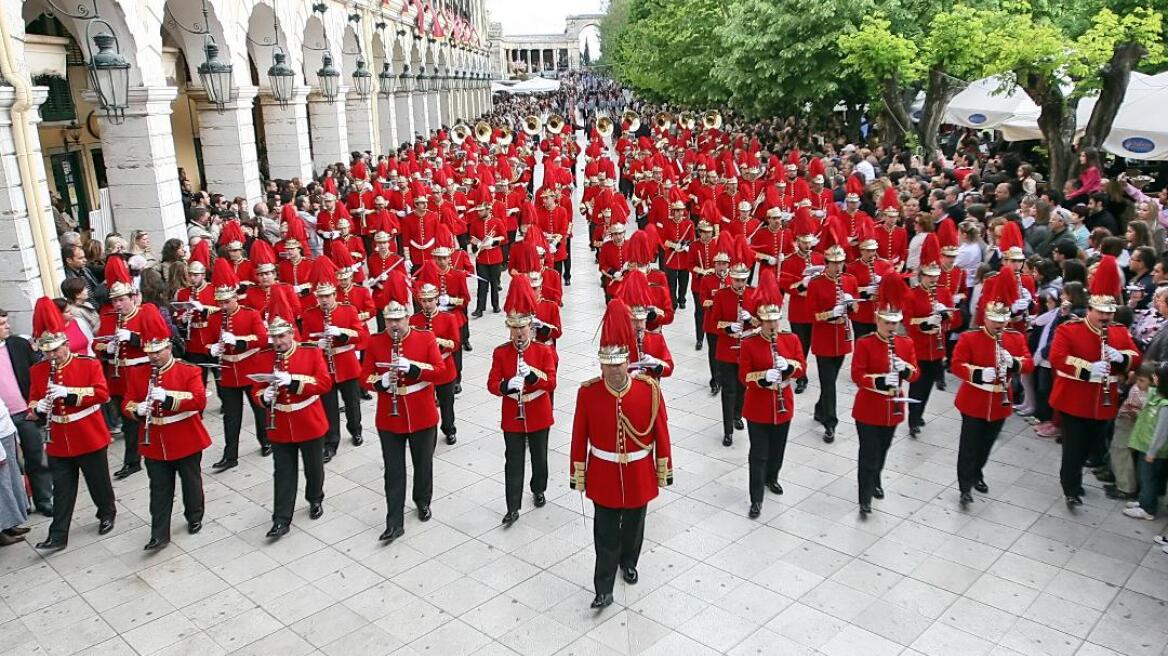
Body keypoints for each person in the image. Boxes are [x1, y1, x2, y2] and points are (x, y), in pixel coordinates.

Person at [570, 299, 672, 609]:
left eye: (617, 364)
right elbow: (579, 436)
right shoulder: (588, 393)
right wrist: (578, 474)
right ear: (599, 365)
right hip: (603, 472)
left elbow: (661, 432)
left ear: (627, 362)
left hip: (639, 471)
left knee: (634, 525)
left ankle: (629, 561)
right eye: (607, 365)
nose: (613, 371)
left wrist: (663, 468)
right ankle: (603, 586)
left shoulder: (648, 390)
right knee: (604, 531)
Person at [1049, 255, 1141, 508]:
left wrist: (1121, 357)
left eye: (1109, 313)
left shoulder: (1119, 332)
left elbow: (1135, 357)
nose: (1105, 317)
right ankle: (1071, 488)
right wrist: (1088, 369)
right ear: (1089, 309)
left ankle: (1076, 479)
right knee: (1074, 448)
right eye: (1100, 312)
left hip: (1103, 402)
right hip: (1075, 399)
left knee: (1091, 446)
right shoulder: (1070, 329)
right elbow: (1057, 358)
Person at [360, 276, 444, 543]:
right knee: (393, 470)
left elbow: (440, 372)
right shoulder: (375, 342)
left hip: (421, 412)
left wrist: (415, 369)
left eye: (399, 320)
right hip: (390, 416)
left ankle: (422, 500)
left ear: (408, 318)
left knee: (423, 464)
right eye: (389, 321)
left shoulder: (426, 337)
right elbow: (365, 377)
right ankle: (393, 521)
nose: (394, 326)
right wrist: (381, 382)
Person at [27, 297, 116, 552]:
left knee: (98, 481)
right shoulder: (38, 371)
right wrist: (38, 407)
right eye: (47, 352)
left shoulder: (86, 364)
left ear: (65, 344)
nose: (52, 356)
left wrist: (70, 393)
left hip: (86, 431)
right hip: (58, 438)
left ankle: (106, 512)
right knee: (63, 488)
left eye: (55, 350)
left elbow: (102, 394)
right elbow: (31, 400)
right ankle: (58, 534)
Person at [122, 311, 211, 550]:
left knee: (190, 482)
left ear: (169, 348)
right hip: (154, 440)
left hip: (184, 435)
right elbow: (127, 403)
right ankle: (159, 533)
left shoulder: (188, 370)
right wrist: (138, 409)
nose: (153, 357)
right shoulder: (139, 373)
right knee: (159, 489)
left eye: (158, 351)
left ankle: (194, 515)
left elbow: (199, 401)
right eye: (150, 352)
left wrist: (170, 398)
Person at [250, 294, 331, 539]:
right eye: (274, 337)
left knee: (313, 467)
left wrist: (294, 382)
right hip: (280, 423)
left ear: (292, 334)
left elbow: (324, 383)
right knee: (283, 471)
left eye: (282, 336)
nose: (278, 341)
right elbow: (255, 390)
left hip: (307, 418)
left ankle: (315, 497)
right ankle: (281, 518)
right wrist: (265, 397)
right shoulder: (264, 356)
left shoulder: (310, 353)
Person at [951, 273, 1035, 507]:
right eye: (995, 320)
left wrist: (1014, 363)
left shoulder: (1015, 338)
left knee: (986, 444)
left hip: (1000, 399)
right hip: (974, 398)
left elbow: (1028, 363)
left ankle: (977, 472)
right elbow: (957, 365)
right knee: (969, 445)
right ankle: (965, 485)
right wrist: (978, 373)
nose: (999, 325)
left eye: (1003, 320)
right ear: (986, 318)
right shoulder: (971, 338)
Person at [488, 276, 557, 526]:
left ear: (530, 327)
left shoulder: (543, 351)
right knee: (513, 460)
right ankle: (512, 506)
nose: (518, 333)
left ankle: (538, 488)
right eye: (514, 328)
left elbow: (551, 382)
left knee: (540, 457)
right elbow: (491, 384)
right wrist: (506, 386)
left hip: (538, 409)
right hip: (512, 413)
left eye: (522, 328)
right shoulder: (501, 352)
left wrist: (532, 375)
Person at [851, 275, 919, 516]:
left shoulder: (905, 343)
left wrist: (905, 369)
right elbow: (857, 375)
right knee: (868, 453)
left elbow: (915, 373)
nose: (891, 328)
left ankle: (876, 478)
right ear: (877, 320)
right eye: (887, 323)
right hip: (869, 406)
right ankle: (864, 497)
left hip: (893, 408)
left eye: (894, 324)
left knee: (883, 449)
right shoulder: (865, 343)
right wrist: (879, 380)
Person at [737, 271, 804, 518]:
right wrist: (763, 377)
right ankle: (756, 498)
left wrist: (789, 368)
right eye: (768, 322)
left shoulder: (791, 339)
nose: (773, 326)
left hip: (783, 402)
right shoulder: (750, 343)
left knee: (778, 449)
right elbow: (744, 375)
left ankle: (772, 477)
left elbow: (801, 366)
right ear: (761, 321)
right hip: (758, 406)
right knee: (758, 454)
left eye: (775, 321)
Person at [96, 257, 167, 480]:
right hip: (119, 375)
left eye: (121, 300)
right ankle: (133, 460)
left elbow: (160, 340)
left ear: (132, 297)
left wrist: (134, 338)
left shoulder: (146, 312)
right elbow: (95, 342)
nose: (118, 305)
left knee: (151, 411)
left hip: (142, 370)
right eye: (114, 301)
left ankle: (153, 449)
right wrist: (107, 347)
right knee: (128, 419)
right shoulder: (108, 317)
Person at [302, 258, 368, 463]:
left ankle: (355, 429)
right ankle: (331, 443)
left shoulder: (348, 310)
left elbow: (361, 336)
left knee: (352, 402)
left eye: (328, 296)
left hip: (346, 362)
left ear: (334, 294)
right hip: (324, 366)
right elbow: (305, 341)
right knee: (328, 406)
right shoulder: (310, 314)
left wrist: (341, 332)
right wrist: (316, 345)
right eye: (321, 297)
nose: (324, 301)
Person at [207, 259, 270, 470]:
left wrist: (240, 342)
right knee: (231, 417)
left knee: (259, 409)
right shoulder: (215, 318)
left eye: (227, 302)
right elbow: (207, 339)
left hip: (249, 366)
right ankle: (230, 455)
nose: (223, 306)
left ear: (235, 297)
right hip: (227, 372)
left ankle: (266, 441)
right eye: (220, 303)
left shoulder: (249, 314)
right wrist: (212, 348)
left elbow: (261, 339)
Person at [0, 309, 51, 517]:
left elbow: (37, 374)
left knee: (35, 456)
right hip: (2, 419)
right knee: (10, 465)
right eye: (2, 324)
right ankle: (19, 505)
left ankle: (44, 499)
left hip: (24, 411)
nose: (8, 326)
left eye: (6, 322)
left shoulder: (18, 345)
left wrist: (36, 404)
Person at [808, 239, 859, 443]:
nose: (838, 267)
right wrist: (830, 313)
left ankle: (821, 408)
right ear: (826, 263)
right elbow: (811, 314)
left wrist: (851, 305)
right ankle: (830, 423)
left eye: (841, 263)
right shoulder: (817, 283)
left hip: (842, 339)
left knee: (830, 382)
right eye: (834, 263)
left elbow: (856, 308)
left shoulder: (849, 280)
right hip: (824, 340)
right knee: (828, 384)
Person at [905, 237, 955, 437]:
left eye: (935, 277)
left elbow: (951, 318)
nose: (933, 280)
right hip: (920, 346)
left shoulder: (943, 292)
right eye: (929, 277)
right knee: (918, 384)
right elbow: (909, 321)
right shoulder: (912, 294)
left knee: (928, 386)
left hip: (937, 346)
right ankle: (913, 419)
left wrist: (943, 314)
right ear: (921, 276)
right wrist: (925, 322)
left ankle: (920, 412)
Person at [710, 259, 755, 446]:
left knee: (742, 386)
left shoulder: (753, 294)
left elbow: (763, 322)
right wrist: (729, 327)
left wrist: (751, 319)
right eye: (736, 280)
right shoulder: (722, 295)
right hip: (726, 350)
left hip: (745, 348)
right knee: (728, 390)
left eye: (743, 281)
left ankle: (738, 414)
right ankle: (727, 430)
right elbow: (715, 322)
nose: (740, 284)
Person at [1122, 362, 1168, 520]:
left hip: (1153, 450)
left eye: (1157, 377)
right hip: (1144, 445)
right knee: (1143, 476)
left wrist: (1153, 451)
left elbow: (1162, 432)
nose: (1154, 379)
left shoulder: (1165, 405)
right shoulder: (1157, 395)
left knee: (1148, 478)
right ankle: (1143, 501)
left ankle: (1148, 508)